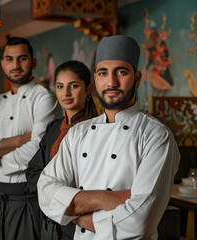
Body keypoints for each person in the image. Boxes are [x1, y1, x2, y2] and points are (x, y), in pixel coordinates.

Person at [37, 35, 180, 239]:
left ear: (137, 78)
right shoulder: (78, 133)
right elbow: (45, 191)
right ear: (95, 80)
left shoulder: (156, 135)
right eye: (103, 73)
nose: (111, 82)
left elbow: (140, 222)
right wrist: (104, 198)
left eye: (121, 72)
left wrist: (73, 214)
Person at [0, 36, 62, 240]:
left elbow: (38, 151)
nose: (15, 65)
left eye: (22, 59)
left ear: (33, 62)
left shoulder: (44, 98)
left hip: (27, 199)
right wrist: (19, 140)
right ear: (3, 64)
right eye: (9, 60)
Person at [26, 60, 98, 240]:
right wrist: (53, 193)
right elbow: (33, 171)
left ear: (88, 89)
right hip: (49, 221)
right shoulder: (53, 128)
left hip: (79, 221)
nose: (65, 93)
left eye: (73, 86)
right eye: (60, 86)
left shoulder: (98, 130)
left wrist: (54, 191)